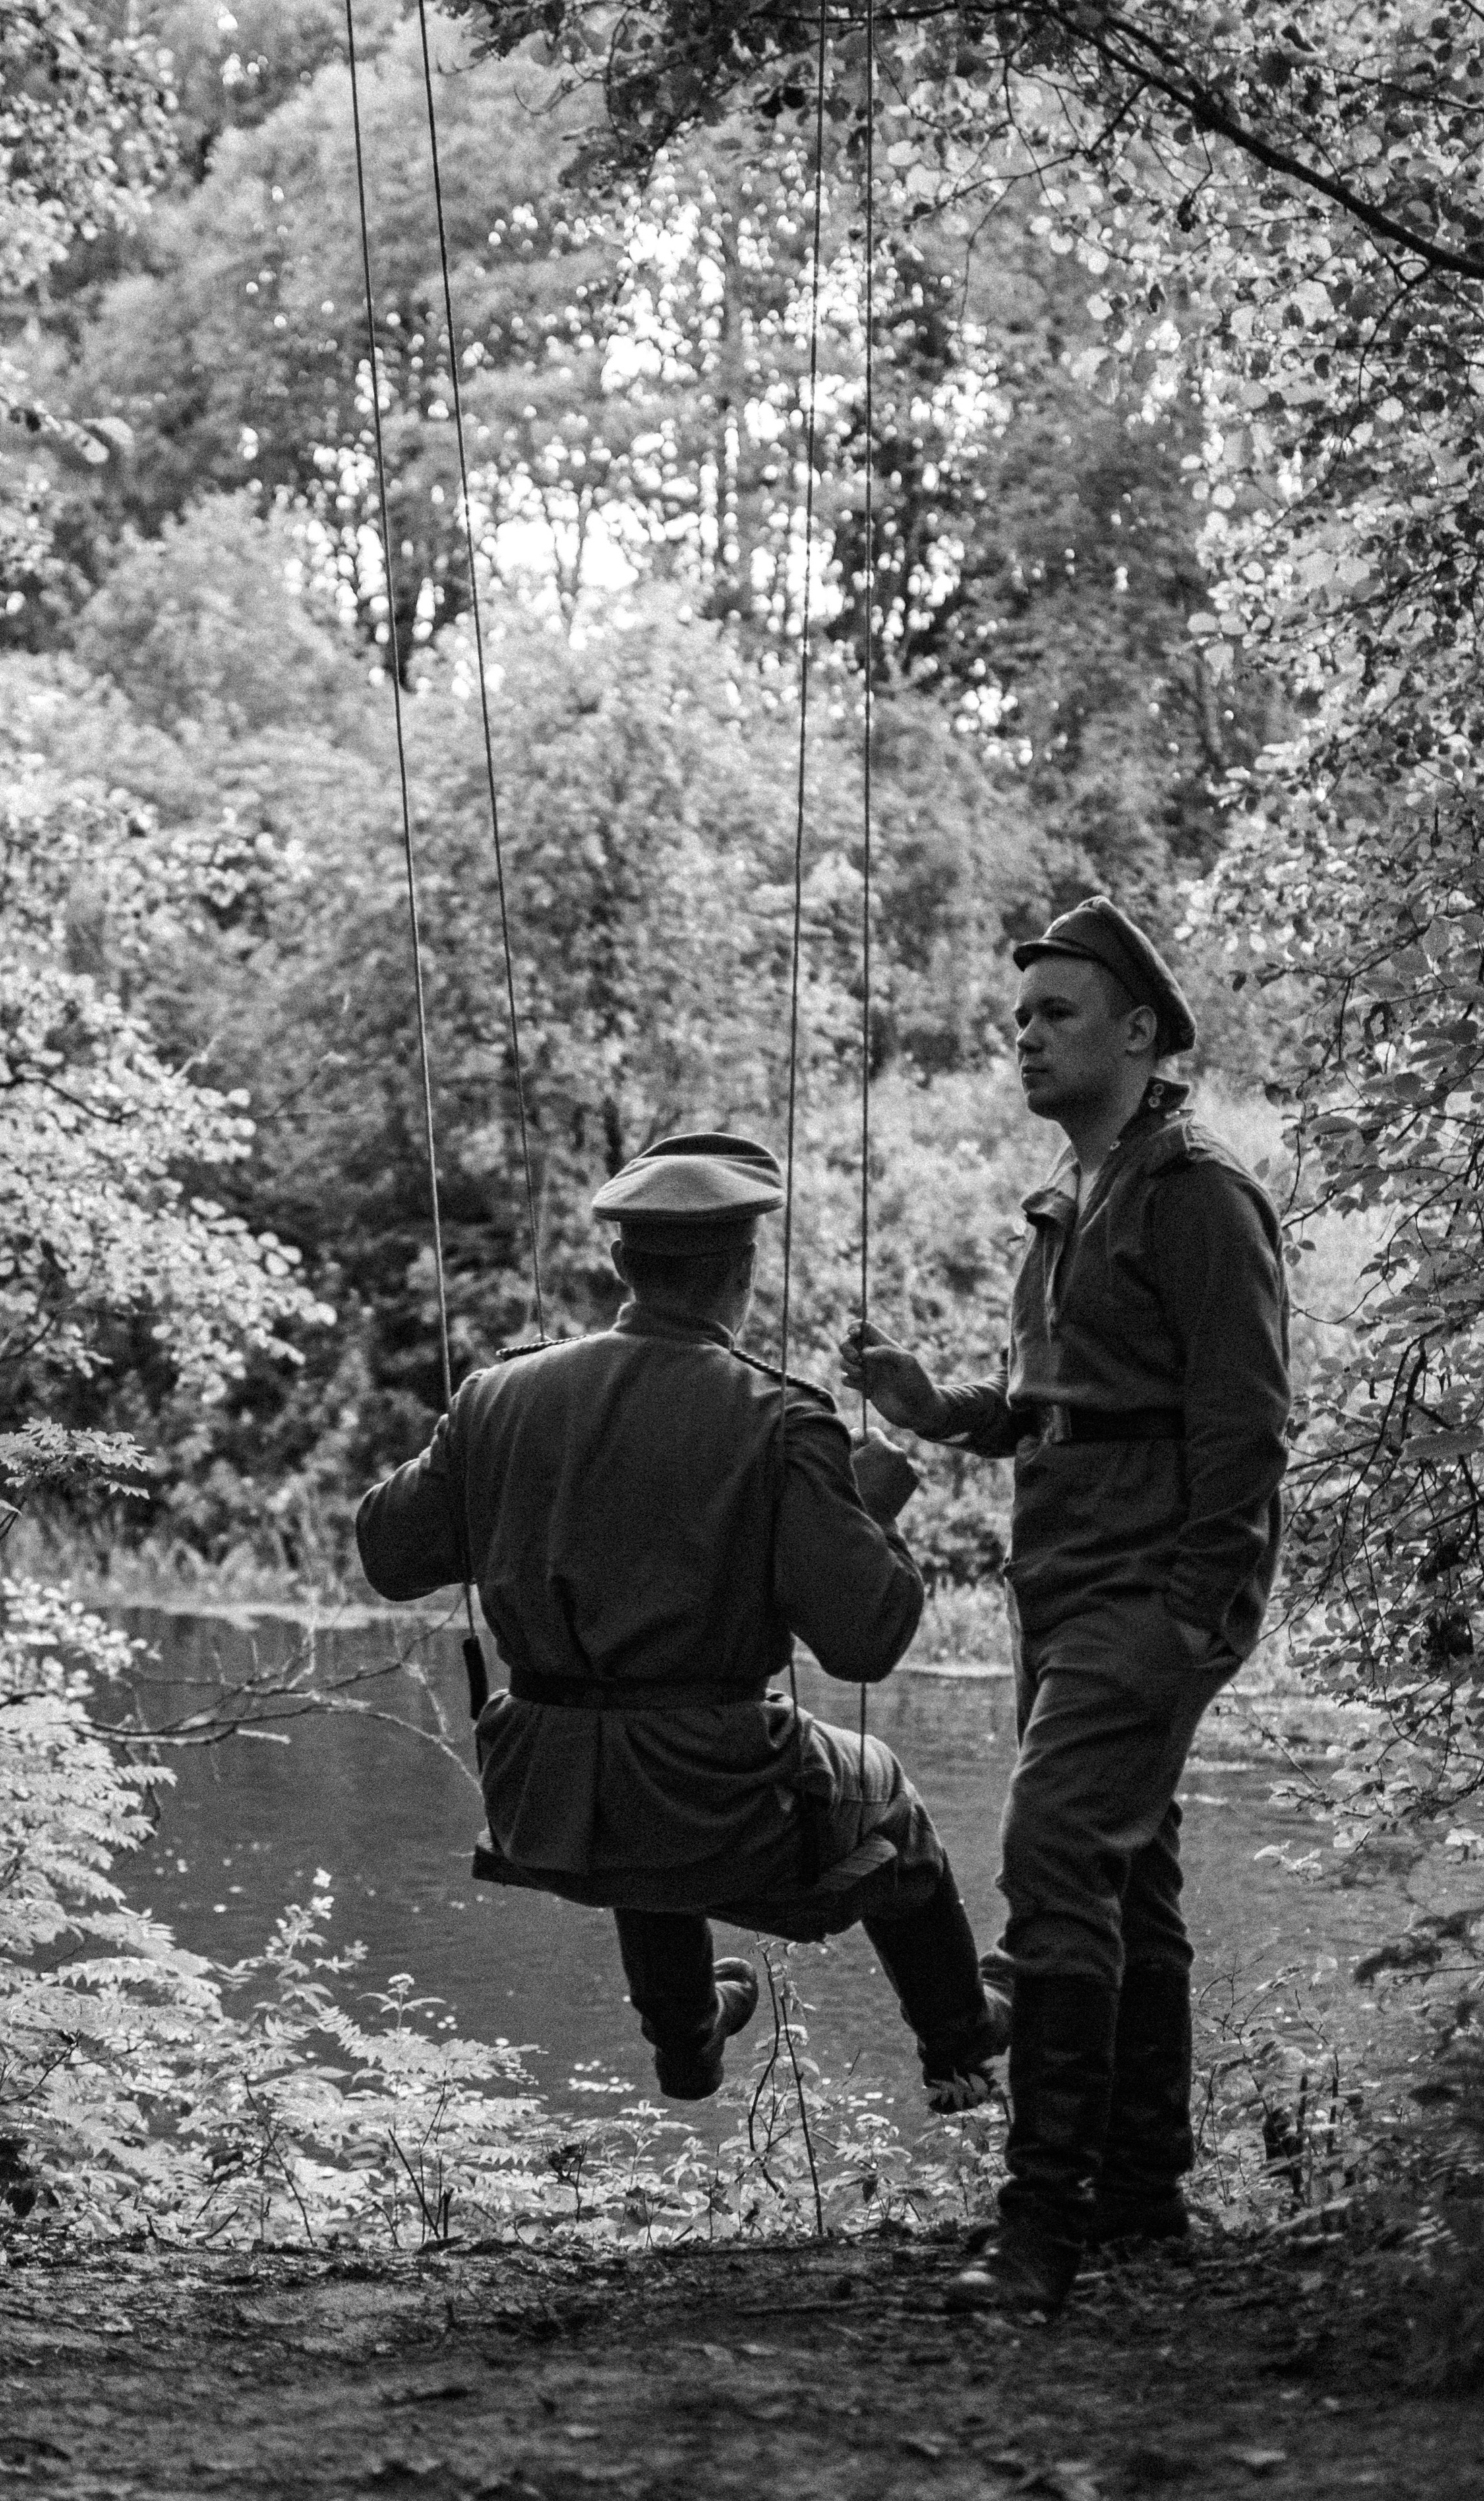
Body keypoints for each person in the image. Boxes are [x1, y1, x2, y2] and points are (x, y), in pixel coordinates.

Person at [356, 1131, 1011, 2110]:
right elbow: (867, 1639)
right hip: (722, 1804)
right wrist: (869, 1512)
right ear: (744, 1271)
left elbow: (388, 1554)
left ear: (620, 1262)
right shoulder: (781, 1418)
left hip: (541, 1794)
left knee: (635, 1773)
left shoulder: (498, 1395)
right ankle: (960, 2045)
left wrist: (488, 1449)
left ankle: (688, 2039)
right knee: (891, 1806)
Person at [843, 897, 1290, 2316]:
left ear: (1140, 1032)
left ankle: (1036, 2233)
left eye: (1055, 1013)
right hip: (1059, 1582)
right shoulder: (1065, 1200)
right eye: (1018, 1018)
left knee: (1047, 1859)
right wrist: (939, 1408)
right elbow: (1062, 1408)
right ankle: (1141, 2199)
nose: (1025, 1038)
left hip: (1147, 1591)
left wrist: (1190, 1609)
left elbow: (1244, 1423)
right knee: (1125, 1876)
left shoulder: (1197, 1190)